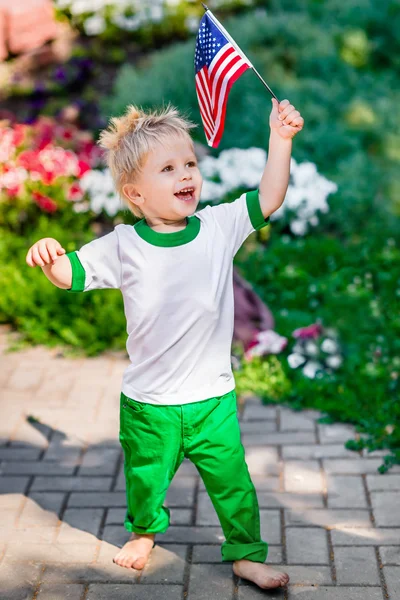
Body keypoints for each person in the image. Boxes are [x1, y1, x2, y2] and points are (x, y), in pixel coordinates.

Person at [26, 97, 303, 590]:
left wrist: (279, 141)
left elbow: (269, 196)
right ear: (134, 193)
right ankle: (144, 532)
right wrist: (49, 259)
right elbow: (72, 273)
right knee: (146, 478)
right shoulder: (122, 245)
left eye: (190, 163)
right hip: (149, 403)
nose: (186, 175)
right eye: (169, 168)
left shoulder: (218, 227)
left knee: (233, 483)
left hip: (212, 398)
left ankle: (245, 553)